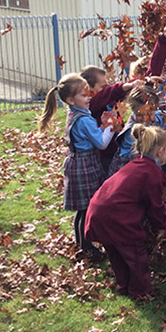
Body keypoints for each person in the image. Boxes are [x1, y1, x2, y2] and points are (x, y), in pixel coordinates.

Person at [84, 125, 166, 300]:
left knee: (116, 253)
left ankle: (123, 286)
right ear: (160, 151)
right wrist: (161, 226)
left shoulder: (137, 164)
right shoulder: (152, 172)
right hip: (117, 218)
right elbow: (155, 205)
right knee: (136, 256)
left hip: (98, 211)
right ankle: (140, 291)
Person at [37, 73, 114, 258]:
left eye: (89, 93)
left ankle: (82, 243)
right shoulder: (85, 119)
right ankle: (86, 248)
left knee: (83, 208)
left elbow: (93, 134)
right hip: (85, 164)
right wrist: (111, 126)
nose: (89, 98)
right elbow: (101, 143)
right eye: (84, 95)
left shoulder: (75, 113)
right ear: (71, 99)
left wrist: (102, 126)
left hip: (77, 161)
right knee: (87, 208)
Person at [108, 87, 166, 176]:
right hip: (124, 172)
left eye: (150, 114)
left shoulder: (154, 117)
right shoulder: (134, 132)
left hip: (140, 169)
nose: (145, 119)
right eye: (140, 115)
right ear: (133, 111)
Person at [81, 65, 144, 174]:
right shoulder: (93, 102)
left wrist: (143, 80)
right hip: (104, 155)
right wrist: (123, 86)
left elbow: (119, 91)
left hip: (116, 151)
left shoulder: (109, 100)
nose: (106, 89)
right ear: (89, 88)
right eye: (103, 86)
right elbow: (110, 92)